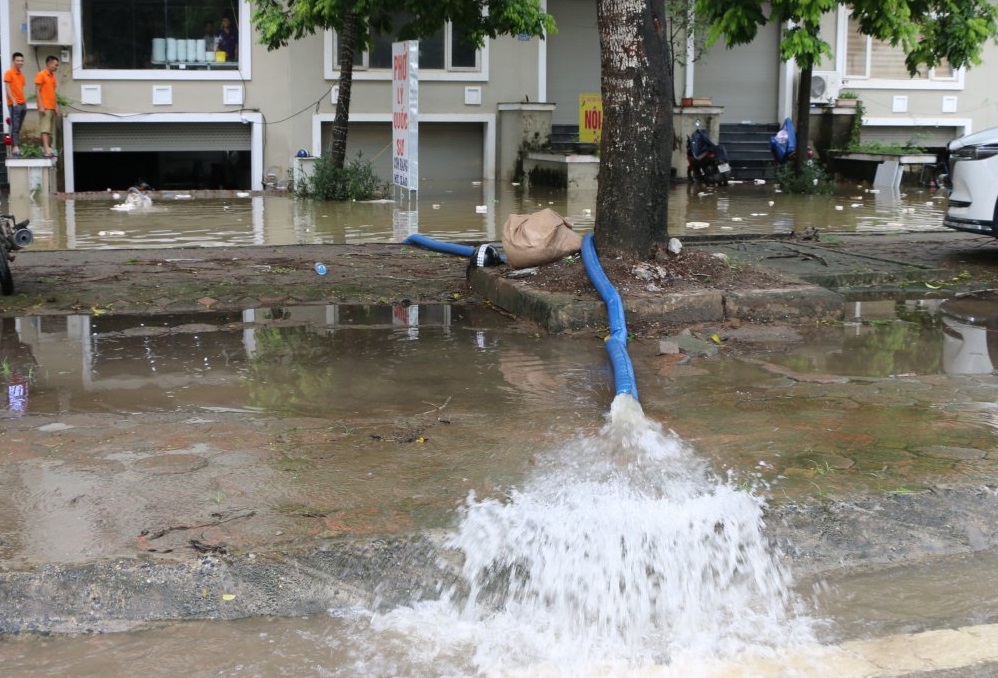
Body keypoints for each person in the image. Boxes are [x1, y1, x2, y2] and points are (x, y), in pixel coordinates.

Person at [34, 55, 59, 158]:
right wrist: (41, 106)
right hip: (45, 107)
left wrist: (56, 107)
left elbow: (53, 92)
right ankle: (46, 150)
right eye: (55, 65)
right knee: (45, 129)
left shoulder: (53, 76)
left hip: (52, 107)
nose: (57, 67)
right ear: (49, 63)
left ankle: (48, 148)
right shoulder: (41, 74)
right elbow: (37, 91)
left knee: (49, 130)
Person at [3, 52, 26, 157]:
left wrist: (22, 102)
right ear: (13, 61)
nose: (20, 62)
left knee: (18, 126)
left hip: (23, 103)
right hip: (14, 104)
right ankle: (15, 148)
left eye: (21, 60)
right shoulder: (9, 73)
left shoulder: (21, 75)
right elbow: (7, 87)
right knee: (15, 126)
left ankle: (16, 145)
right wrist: (14, 101)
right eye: (18, 60)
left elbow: (20, 89)